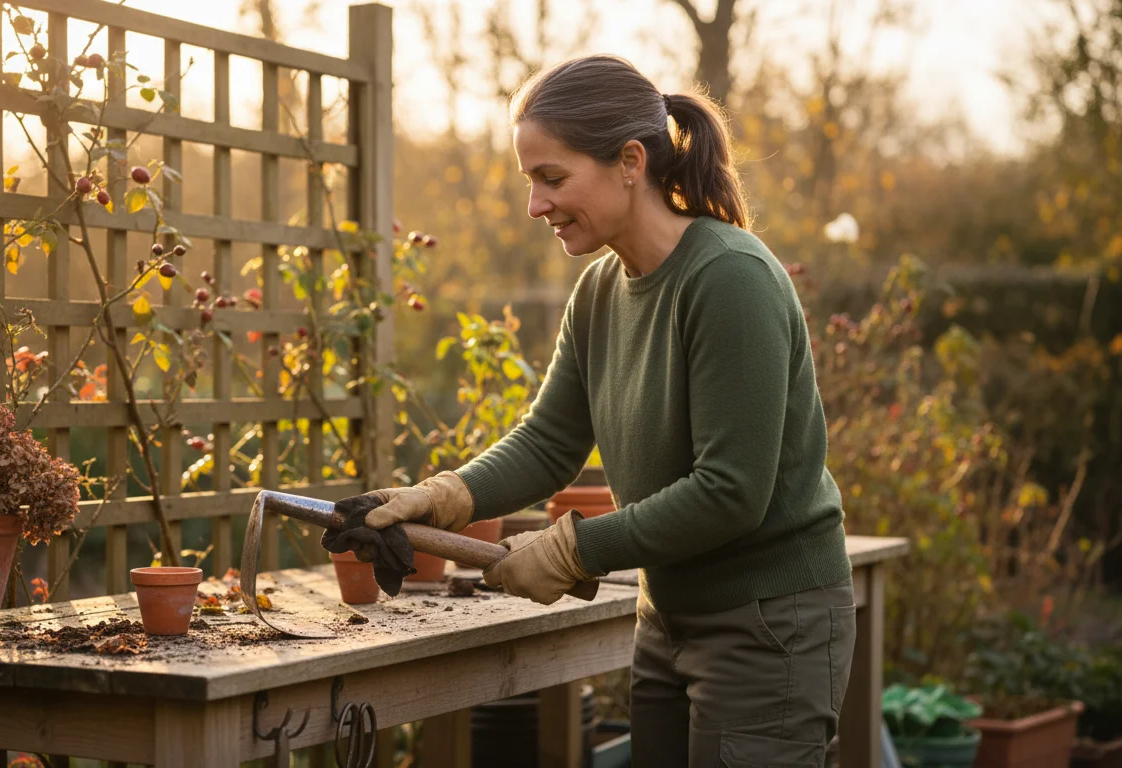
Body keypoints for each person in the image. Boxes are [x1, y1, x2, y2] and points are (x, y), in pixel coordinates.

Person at [344, 54, 856, 767]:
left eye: (553, 179)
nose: (536, 206)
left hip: (769, 623)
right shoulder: (599, 293)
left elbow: (732, 493)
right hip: (667, 616)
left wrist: (573, 547)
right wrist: (440, 498)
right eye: (530, 182)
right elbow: (549, 443)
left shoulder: (729, 279)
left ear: (629, 161)